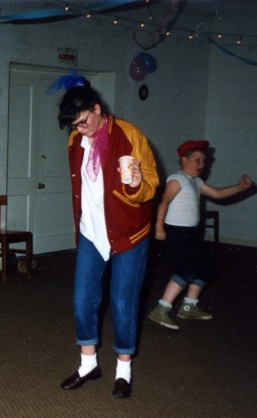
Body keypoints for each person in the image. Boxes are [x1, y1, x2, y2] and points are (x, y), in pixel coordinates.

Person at [57, 85, 159, 399]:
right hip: (91, 231)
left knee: (122, 301)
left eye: (83, 121)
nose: (80, 129)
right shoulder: (75, 140)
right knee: (82, 299)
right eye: (74, 125)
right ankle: (88, 364)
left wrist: (137, 184)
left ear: (98, 109)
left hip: (128, 232)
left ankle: (123, 371)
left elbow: (152, 185)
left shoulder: (128, 134)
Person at [148, 140, 253, 330]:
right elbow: (164, 201)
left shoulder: (196, 181)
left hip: (191, 232)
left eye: (204, 161)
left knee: (206, 268)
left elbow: (218, 193)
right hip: (176, 231)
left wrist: (240, 187)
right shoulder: (177, 179)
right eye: (197, 160)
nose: (202, 164)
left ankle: (189, 306)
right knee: (185, 270)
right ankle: (161, 309)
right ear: (184, 159)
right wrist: (159, 226)